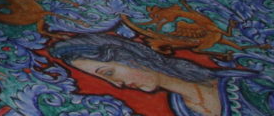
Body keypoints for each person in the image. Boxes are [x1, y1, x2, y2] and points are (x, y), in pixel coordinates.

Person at [51, 33, 270, 116]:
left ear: (132, 58)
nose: (117, 85)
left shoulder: (244, 86)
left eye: (109, 72)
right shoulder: (181, 109)